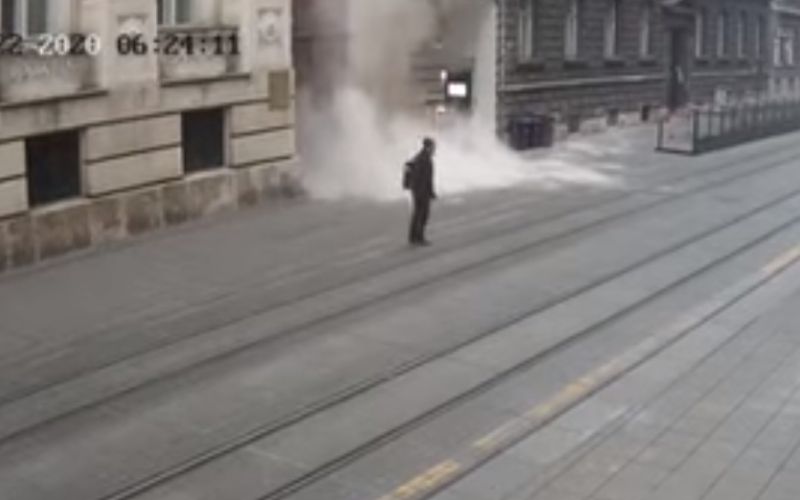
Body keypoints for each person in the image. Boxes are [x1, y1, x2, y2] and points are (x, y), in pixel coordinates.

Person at [404, 138, 437, 246]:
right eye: (433, 147)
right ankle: (419, 238)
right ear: (428, 147)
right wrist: (430, 192)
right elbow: (426, 178)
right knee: (423, 215)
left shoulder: (419, 157)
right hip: (421, 192)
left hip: (417, 190)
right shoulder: (424, 159)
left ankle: (413, 237)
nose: (434, 149)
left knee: (417, 214)